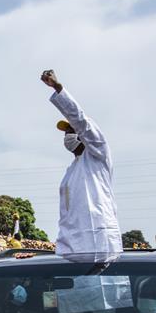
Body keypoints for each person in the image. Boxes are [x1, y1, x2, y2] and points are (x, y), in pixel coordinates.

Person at [41, 69, 121, 256]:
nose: (67, 136)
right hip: (72, 245)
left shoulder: (99, 155)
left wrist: (58, 88)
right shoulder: (71, 170)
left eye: (70, 130)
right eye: (65, 132)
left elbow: (81, 121)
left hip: (99, 242)